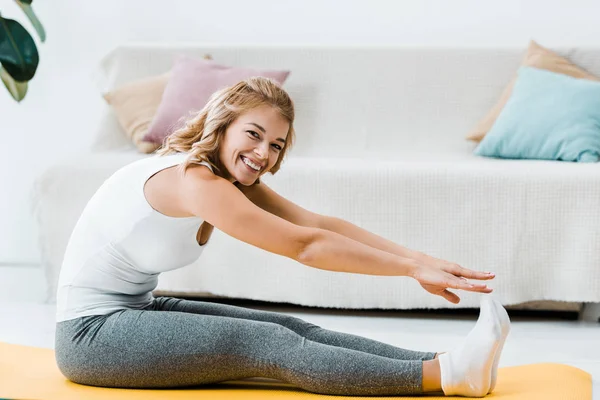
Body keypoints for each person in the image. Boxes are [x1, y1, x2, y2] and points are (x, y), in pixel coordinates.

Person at [54, 77, 510, 397]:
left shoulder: (220, 174)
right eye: (253, 134)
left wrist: (419, 257)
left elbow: (316, 223)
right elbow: (304, 246)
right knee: (268, 346)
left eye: (275, 145)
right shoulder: (196, 181)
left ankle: (441, 360)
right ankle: (446, 376)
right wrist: (411, 270)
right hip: (91, 337)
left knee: (291, 328)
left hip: (135, 310)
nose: (262, 154)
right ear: (223, 124)